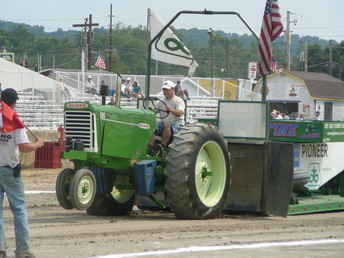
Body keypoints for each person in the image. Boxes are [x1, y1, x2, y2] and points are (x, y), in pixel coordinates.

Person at [0, 88, 44, 258]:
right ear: (14, 102)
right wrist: (38, 144)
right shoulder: (15, 120)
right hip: (10, 169)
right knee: (19, 209)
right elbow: (24, 147)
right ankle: (23, 250)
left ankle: (1, 248)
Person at [150, 80, 185, 148]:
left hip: (177, 125)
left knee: (167, 124)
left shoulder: (178, 100)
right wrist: (151, 112)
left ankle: (163, 146)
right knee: (149, 125)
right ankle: (150, 147)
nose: (165, 92)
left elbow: (180, 113)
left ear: (173, 89)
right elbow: (154, 111)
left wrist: (170, 110)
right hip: (163, 124)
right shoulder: (161, 101)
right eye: (164, 90)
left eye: (167, 90)